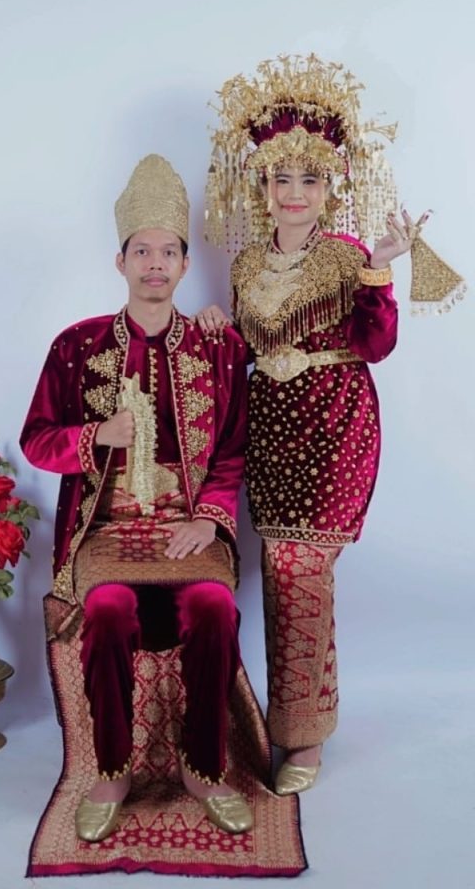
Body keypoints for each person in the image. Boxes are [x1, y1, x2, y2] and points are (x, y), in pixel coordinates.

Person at [199, 53, 464, 795]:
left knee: (300, 569)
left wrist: (380, 268)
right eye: (281, 179)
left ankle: (304, 739)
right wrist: (219, 325)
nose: (293, 193)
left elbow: (376, 346)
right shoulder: (246, 265)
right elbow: (247, 349)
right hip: (271, 430)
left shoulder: (348, 257)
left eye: (309, 180)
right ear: (262, 186)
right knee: (277, 572)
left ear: (331, 186)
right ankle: (291, 719)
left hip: (335, 426)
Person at [20, 154, 253, 842]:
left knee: (214, 608)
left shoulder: (217, 347)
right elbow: (36, 440)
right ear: (120, 261)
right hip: (106, 531)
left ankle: (203, 769)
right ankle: (111, 773)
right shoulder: (76, 346)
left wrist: (209, 520)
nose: (156, 264)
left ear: (185, 264)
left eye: (168, 252)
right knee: (108, 609)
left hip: (188, 528)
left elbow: (232, 450)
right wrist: (97, 435)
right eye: (142, 251)